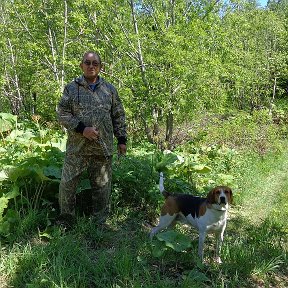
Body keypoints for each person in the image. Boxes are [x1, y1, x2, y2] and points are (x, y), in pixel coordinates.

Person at [57, 51, 127, 227]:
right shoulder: (71, 88)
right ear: (81, 66)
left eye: (95, 63)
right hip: (77, 148)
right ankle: (66, 222)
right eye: (87, 63)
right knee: (67, 185)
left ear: (100, 67)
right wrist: (82, 129)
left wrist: (122, 139)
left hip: (102, 149)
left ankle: (99, 223)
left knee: (102, 188)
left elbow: (118, 115)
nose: (91, 66)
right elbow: (62, 113)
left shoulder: (109, 90)